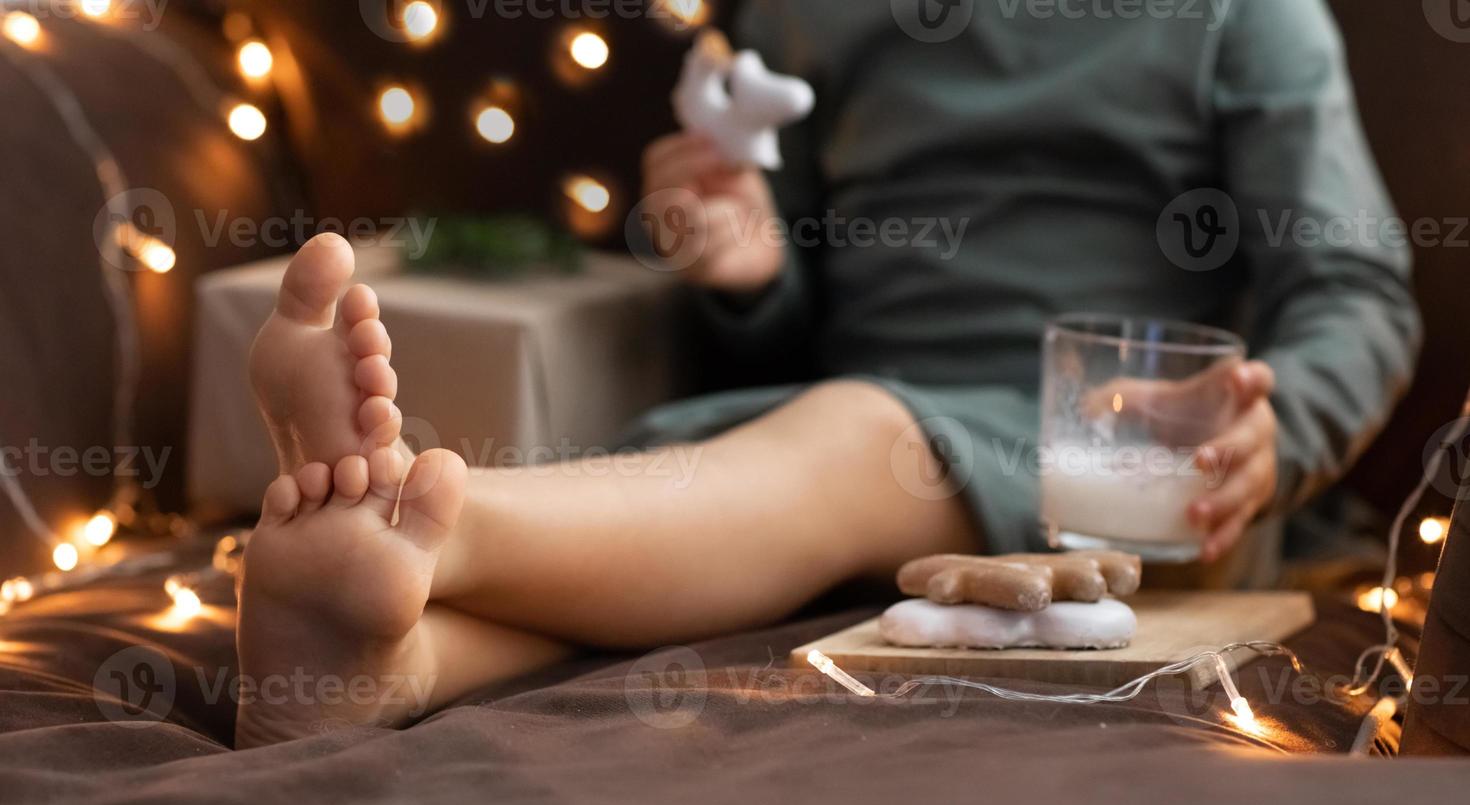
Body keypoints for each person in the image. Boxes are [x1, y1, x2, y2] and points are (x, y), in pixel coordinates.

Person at [233, 0, 1418, 746]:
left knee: (854, 443)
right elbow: (783, 323)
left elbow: (1355, 293)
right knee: (719, 524)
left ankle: (433, 519)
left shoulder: (1248, 18)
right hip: (838, 438)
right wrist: (749, 274)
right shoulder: (808, 21)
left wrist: (1273, 437)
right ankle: (390, 659)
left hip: (1130, 472)